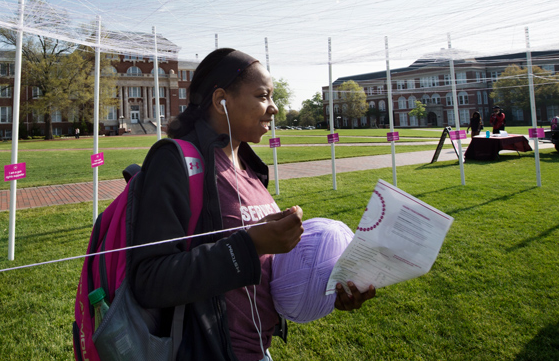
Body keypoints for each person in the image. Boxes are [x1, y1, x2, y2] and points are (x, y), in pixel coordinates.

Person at [129, 48, 375, 361]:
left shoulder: (249, 166)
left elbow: (260, 275)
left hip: (260, 350)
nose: (274, 107)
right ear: (221, 100)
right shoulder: (174, 161)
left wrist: (329, 290)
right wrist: (249, 245)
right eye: (263, 96)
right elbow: (150, 280)